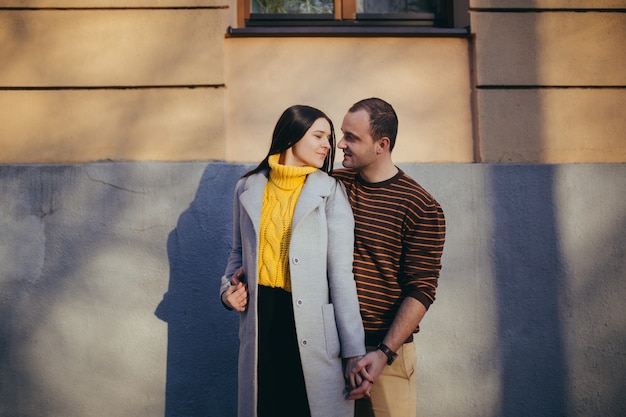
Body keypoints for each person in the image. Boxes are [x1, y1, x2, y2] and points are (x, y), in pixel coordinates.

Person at [220, 105, 366, 417]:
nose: (328, 145)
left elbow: (341, 274)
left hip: (312, 326)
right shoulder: (247, 187)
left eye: (329, 137)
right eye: (319, 135)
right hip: (261, 320)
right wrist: (226, 292)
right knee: (267, 405)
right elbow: (236, 254)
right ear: (291, 136)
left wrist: (354, 351)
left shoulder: (330, 192)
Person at [333, 98, 446, 417]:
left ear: (381, 144)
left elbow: (421, 289)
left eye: (351, 137)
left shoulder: (421, 206)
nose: (341, 144)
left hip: (384, 354)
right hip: (331, 349)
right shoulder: (334, 186)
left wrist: (383, 353)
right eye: (343, 134)